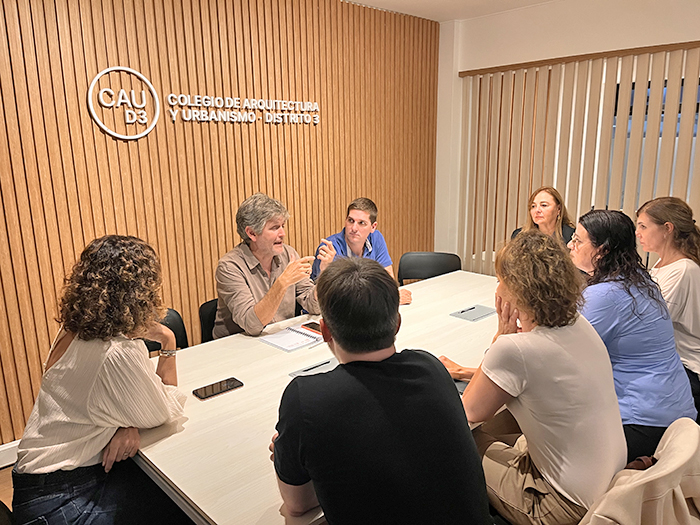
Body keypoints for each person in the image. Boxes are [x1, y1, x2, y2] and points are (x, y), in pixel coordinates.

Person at [270, 258, 491, 524]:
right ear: (397, 323)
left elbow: (297, 505)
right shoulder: (431, 367)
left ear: (325, 331)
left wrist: (292, 453)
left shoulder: (306, 399)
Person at [441, 230, 626, 525]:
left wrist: (502, 336)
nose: (497, 287)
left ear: (520, 290)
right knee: (502, 424)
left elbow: (464, 416)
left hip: (562, 505)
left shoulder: (515, 350)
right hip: (605, 486)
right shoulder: (580, 325)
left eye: (501, 279)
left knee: (451, 440)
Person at [12, 235, 192, 524]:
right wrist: (167, 340)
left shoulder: (75, 330)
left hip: (35, 484)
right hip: (62, 502)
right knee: (181, 504)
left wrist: (127, 421)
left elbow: (103, 400)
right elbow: (164, 412)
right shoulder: (116, 351)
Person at [568, 209, 697, 462]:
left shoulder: (605, 295)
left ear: (602, 250)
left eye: (578, 240)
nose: (570, 245)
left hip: (643, 422)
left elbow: (561, 355)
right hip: (678, 413)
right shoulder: (641, 281)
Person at [214, 193, 320, 337]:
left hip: (280, 338)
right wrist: (282, 283)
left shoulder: (288, 254)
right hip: (238, 345)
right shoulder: (229, 267)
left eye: (282, 226)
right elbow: (252, 325)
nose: (283, 233)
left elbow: (313, 306)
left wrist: (325, 275)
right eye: (275, 228)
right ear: (252, 233)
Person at [636, 196, 700, 422]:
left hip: (685, 369)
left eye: (643, 226)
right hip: (667, 363)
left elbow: (650, 324)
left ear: (667, 229)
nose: (637, 233)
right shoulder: (660, 265)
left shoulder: (683, 270)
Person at [310, 197, 412, 304]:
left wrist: (390, 296)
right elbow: (339, 298)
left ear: (373, 227)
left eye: (361, 223)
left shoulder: (376, 238)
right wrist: (386, 299)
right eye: (351, 221)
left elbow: (388, 279)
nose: (354, 228)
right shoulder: (330, 248)